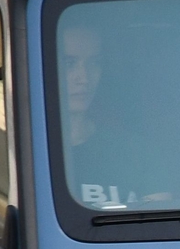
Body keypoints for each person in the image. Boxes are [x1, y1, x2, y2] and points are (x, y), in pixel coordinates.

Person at [56, 18, 168, 209]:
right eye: (69, 63)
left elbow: (161, 225)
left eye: (94, 63)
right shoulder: (29, 155)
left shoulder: (136, 152)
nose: (84, 78)